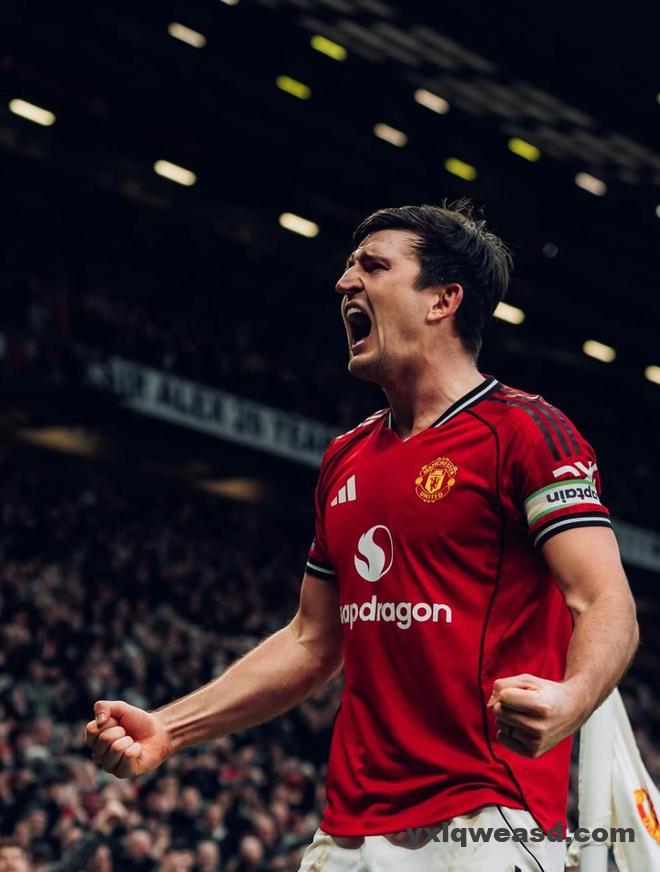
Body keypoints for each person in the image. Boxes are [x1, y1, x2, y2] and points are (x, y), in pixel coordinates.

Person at [86, 202, 639, 871]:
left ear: (443, 300)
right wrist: (169, 729)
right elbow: (311, 640)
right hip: (349, 829)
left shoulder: (527, 431)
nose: (345, 282)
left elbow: (606, 601)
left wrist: (571, 698)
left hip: (484, 820)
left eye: (373, 267)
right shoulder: (345, 457)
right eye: (350, 267)